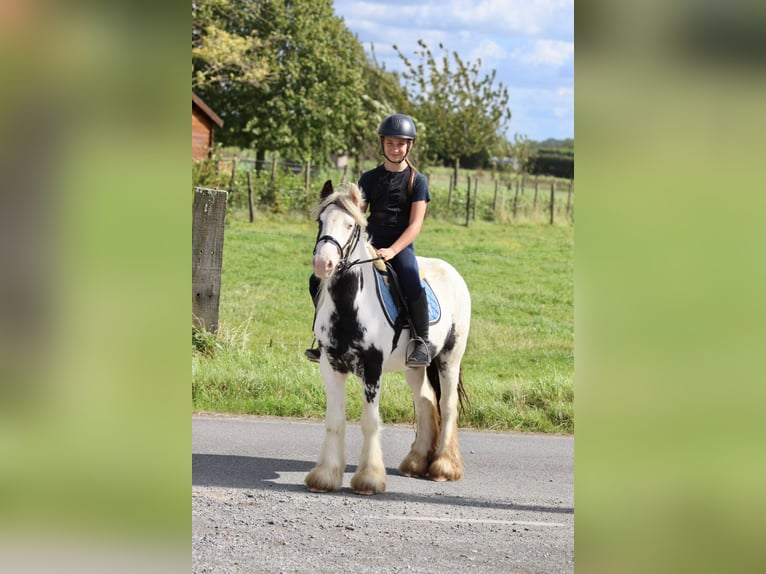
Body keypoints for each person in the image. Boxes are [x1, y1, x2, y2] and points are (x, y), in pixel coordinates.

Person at [305, 113, 432, 366]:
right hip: (370, 239)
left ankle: (421, 341)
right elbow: (357, 215)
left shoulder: (417, 181)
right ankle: (324, 336)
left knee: (409, 276)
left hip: (400, 243)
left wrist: (394, 251)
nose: (395, 148)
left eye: (400, 144)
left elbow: (416, 224)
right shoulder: (369, 178)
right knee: (316, 279)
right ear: (382, 144)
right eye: (390, 143)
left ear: (410, 145)